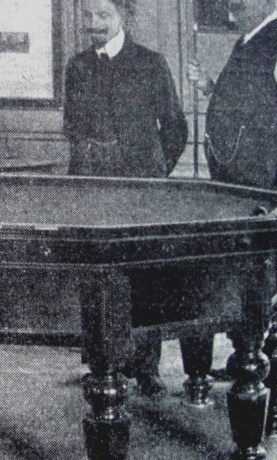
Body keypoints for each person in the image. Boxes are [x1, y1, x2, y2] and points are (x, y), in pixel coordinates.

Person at [189, 0, 277, 403]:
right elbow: (247, 102)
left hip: (267, 186)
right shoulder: (245, 42)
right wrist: (211, 87)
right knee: (245, 276)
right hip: (234, 183)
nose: (233, 7)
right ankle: (247, 359)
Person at [64, 0, 188, 396]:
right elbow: (72, 129)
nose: (94, 24)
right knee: (95, 275)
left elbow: (175, 128)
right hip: (92, 189)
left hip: (139, 191)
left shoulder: (151, 63)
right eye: (88, 16)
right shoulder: (77, 66)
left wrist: (153, 176)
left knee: (143, 276)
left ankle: (147, 368)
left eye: (103, 15)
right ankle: (102, 365)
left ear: (123, 17)